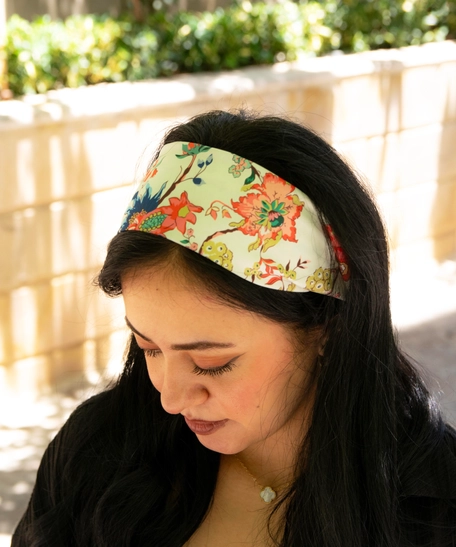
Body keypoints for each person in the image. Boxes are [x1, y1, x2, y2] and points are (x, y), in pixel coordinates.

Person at [13, 110, 456, 547]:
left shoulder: (436, 509)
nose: (170, 398)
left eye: (212, 363)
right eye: (148, 347)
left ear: (327, 326)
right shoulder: (98, 451)